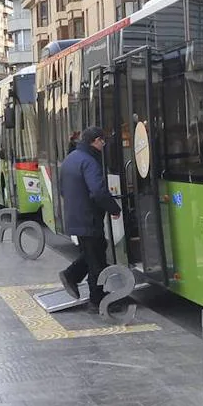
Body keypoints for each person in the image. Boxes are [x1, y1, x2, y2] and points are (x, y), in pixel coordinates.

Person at [57, 126, 121, 309]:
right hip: (88, 217)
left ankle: (74, 277)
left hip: (75, 215)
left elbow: (62, 189)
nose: (104, 145)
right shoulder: (90, 162)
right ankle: (96, 299)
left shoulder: (71, 159)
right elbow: (98, 192)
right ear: (96, 141)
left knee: (95, 252)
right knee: (96, 259)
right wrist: (114, 209)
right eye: (103, 141)